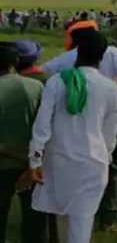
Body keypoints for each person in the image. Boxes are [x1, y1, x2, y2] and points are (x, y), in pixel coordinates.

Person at [27, 30, 117, 243]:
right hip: (93, 164)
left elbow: (42, 126)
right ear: (103, 56)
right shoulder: (111, 89)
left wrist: (34, 160)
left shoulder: (56, 82)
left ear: (77, 52)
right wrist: (105, 158)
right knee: (81, 223)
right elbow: (110, 135)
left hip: (58, 163)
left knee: (61, 218)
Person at [0, 43, 47, 243]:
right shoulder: (36, 87)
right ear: (16, 62)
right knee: (34, 219)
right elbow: (45, 128)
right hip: (32, 165)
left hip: (3, 163)